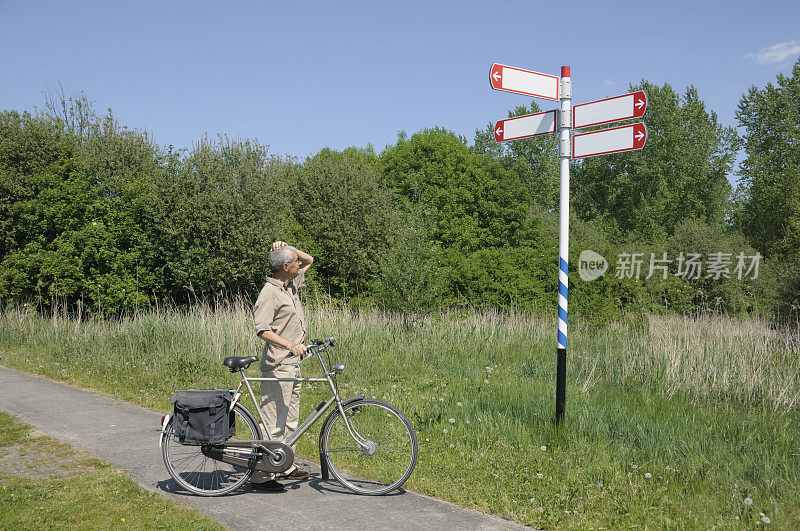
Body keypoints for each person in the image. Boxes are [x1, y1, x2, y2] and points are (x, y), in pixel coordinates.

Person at [250, 240, 314, 491]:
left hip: (293, 364)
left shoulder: (290, 284)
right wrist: (289, 344)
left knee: (290, 420)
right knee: (273, 421)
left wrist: (288, 247)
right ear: (286, 266)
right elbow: (262, 330)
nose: (300, 263)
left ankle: (283, 465)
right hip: (278, 365)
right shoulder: (269, 293)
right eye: (293, 261)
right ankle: (262, 474)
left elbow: (309, 260)